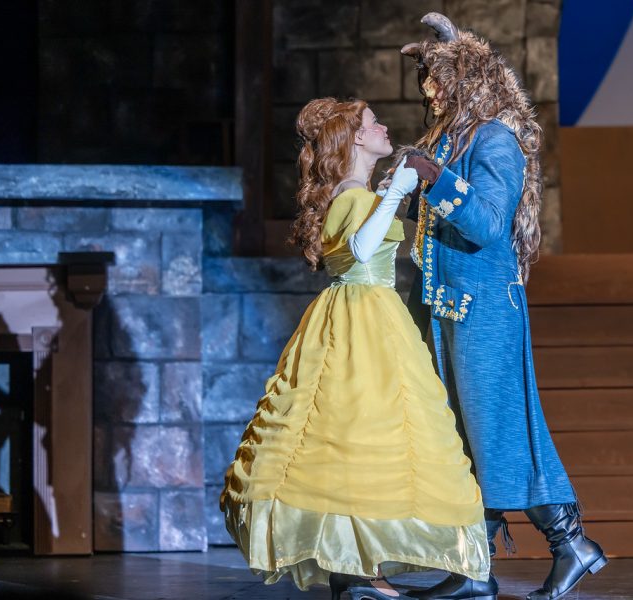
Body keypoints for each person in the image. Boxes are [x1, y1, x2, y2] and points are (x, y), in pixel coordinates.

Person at [219, 97, 489, 600]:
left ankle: (358, 571)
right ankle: (360, 571)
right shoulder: (349, 195)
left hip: (373, 313)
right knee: (357, 430)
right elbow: (362, 251)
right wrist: (399, 191)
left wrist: (402, 195)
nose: (384, 127)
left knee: (367, 432)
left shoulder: (359, 193)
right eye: (372, 123)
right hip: (360, 318)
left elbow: (393, 241)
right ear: (355, 140)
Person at [397, 13, 607, 600]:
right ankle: (474, 569)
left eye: (439, 81)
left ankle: (570, 544)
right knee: (462, 437)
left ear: (467, 82)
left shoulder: (494, 140)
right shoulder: (449, 138)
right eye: (426, 84)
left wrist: (435, 178)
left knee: (500, 435)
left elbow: (488, 224)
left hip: (485, 308)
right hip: (445, 309)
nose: (429, 92)